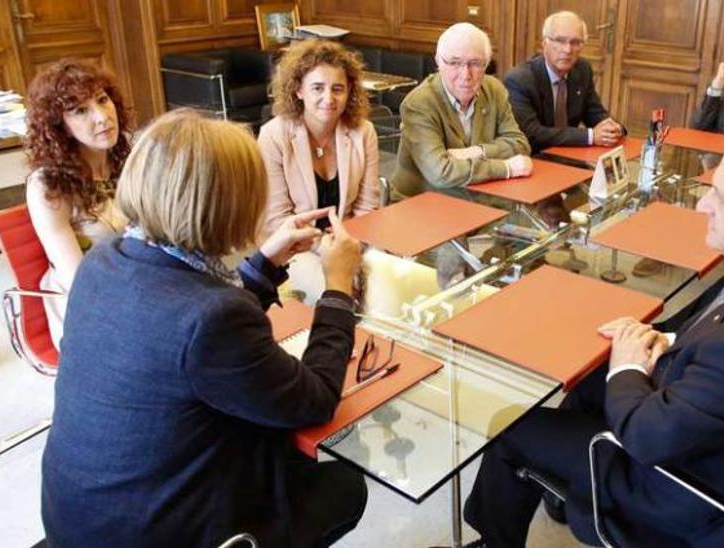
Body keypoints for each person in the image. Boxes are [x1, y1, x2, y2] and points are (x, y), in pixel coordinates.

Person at [463, 124, 724, 547]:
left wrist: (627, 366)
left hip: (675, 491)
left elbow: (646, 438)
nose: (704, 205)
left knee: (509, 426)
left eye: (723, 198)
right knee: (588, 381)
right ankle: (566, 481)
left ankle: (498, 539)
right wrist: (668, 339)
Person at [41, 111, 367, 547]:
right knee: (344, 484)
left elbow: (182, 318)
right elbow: (315, 400)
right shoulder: (213, 318)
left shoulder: (106, 260)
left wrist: (266, 263)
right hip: (161, 534)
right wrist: (339, 288)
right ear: (234, 206)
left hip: (81, 521)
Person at [24, 59, 131, 348]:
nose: (101, 117)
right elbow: (78, 281)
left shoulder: (130, 161)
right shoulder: (48, 186)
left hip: (141, 285)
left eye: (102, 100)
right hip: (90, 305)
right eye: (80, 110)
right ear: (60, 127)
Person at [390, 22, 532, 198]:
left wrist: (475, 151)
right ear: (438, 62)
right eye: (454, 63)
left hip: (478, 196)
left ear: (486, 64)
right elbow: (441, 173)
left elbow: (519, 144)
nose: (466, 75)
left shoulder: (494, 89)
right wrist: (506, 168)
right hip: (420, 202)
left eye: (475, 63)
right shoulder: (419, 104)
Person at [258, 39, 379, 234]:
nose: (329, 98)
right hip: (293, 245)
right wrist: (324, 248)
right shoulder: (273, 136)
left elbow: (367, 208)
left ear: (349, 91)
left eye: (337, 89)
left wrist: (348, 245)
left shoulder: (364, 132)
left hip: (350, 237)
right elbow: (276, 219)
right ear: (299, 90)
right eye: (317, 88)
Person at [503, 11, 624, 152]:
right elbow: (531, 134)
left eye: (575, 42)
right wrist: (590, 136)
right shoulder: (520, 79)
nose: (567, 50)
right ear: (544, 44)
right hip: (534, 158)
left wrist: (613, 128)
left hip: (570, 155)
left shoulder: (582, 69)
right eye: (560, 41)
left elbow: (594, 112)